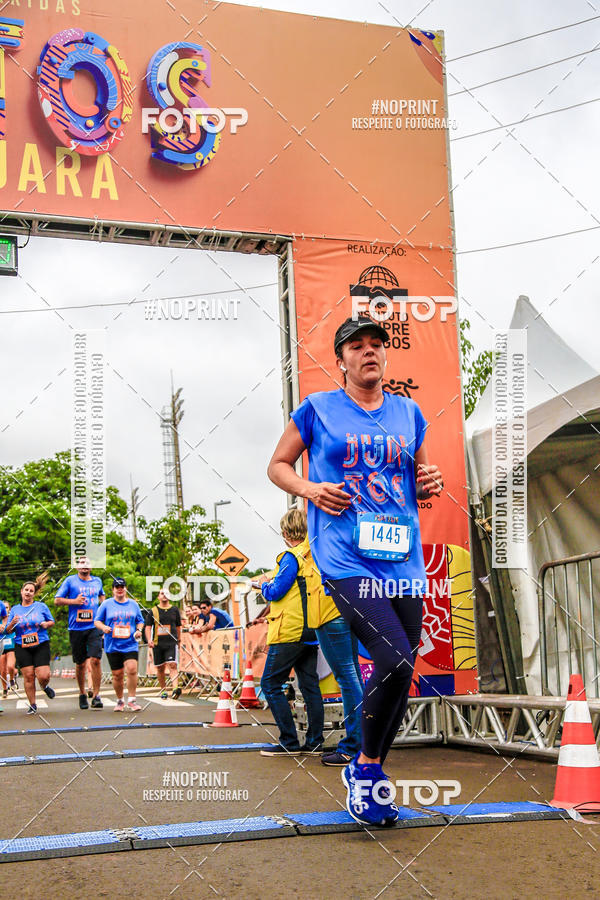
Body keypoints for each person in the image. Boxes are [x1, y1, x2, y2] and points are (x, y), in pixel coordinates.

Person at [267, 314, 443, 825]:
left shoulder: (409, 413)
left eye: (376, 344)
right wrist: (309, 490)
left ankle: (368, 771)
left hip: (403, 556)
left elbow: (421, 479)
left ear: (385, 356)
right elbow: (277, 464)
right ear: (341, 359)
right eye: (357, 345)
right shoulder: (318, 409)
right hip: (345, 555)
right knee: (392, 657)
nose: (369, 352)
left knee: (403, 667)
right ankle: (366, 769)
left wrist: (427, 481)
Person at [254, 508, 324, 757]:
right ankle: (315, 742)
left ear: (285, 532)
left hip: (289, 630)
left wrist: (263, 584)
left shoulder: (290, 557)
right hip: (313, 629)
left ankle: (289, 742)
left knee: (270, 683)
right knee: (309, 686)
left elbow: (276, 592)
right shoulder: (316, 554)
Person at [55, 556, 105, 709]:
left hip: (94, 625)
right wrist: (74, 601)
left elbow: (102, 595)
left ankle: (96, 695)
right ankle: (82, 693)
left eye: (87, 563)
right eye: (81, 563)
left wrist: (104, 609)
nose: (84, 566)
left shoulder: (97, 581)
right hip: (76, 627)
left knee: (96, 660)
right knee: (80, 663)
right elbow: (57, 600)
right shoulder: (70, 581)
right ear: (76, 566)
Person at [3, 575, 56, 714]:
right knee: (28, 676)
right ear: (21, 591)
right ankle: (32, 705)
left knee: (43, 675)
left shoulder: (41, 606)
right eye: (26, 590)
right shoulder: (15, 609)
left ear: (34, 593)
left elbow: (51, 621)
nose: (28, 592)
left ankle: (44, 687)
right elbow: (8, 630)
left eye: (31, 591)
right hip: (22, 645)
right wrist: (13, 623)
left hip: (40, 643)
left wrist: (46, 624)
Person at [94, 578, 144, 712]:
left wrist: (139, 630)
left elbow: (140, 620)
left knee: (132, 669)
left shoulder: (133, 604)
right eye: (117, 587)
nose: (120, 589)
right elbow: (97, 621)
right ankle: (120, 700)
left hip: (130, 643)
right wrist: (104, 628)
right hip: (113, 644)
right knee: (117, 674)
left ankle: (132, 700)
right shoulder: (106, 604)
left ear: (126, 589)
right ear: (113, 590)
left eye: (122, 586)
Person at [144, 589, 182, 699]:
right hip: (158, 643)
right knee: (160, 668)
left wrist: (179, 640)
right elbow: (148, 627)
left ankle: (175, 689)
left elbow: (178, 626)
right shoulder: (153, 611)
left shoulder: (174, 610)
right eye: (162, 593)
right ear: (158, 597)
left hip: (171, 643)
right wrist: (149, 640)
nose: (164, 595)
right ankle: (163, 690)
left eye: (167, 593)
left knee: (172, 664)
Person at [0, 600, 17, 704]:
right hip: (1, 645)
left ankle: (11, 679)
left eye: (7, 607)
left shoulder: (12, 619)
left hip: (11, 645)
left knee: (10, 666)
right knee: (2, 670)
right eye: (4, 607)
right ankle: (5, 688)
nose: (5, 609)